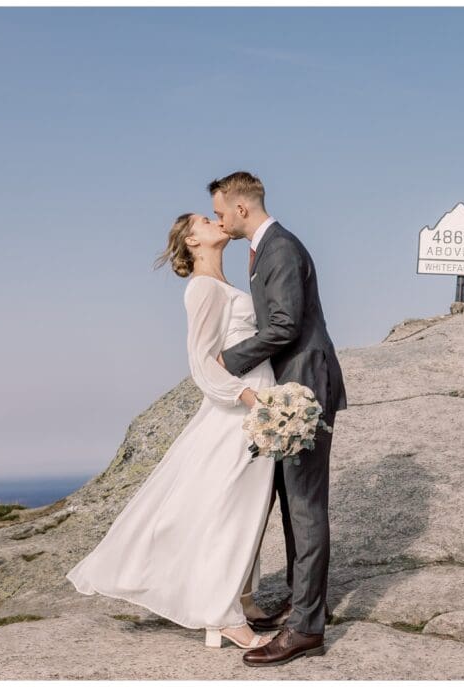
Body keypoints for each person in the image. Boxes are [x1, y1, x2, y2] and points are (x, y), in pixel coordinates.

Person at [65, 212, 277, 651]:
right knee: (230, 507)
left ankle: (242, 598)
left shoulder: (223, 284)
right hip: (238, 409)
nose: (216, 220)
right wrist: (247, 398)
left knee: (244, 505)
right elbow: (201, 363)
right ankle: (223, 617)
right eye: (204, 219)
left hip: (253, 402)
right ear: (192, 240)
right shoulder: (202, 288)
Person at [209, 171, 347, 667]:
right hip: (291, 386)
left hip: (304, 388)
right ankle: (304, 602)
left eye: (222, 211)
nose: (220, 221)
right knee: (293, 504)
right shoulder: (264, 249)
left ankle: (307, 628)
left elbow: (286, 323)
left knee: (305, 505)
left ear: (242, 208)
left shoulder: (281, 248)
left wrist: (230, 360)